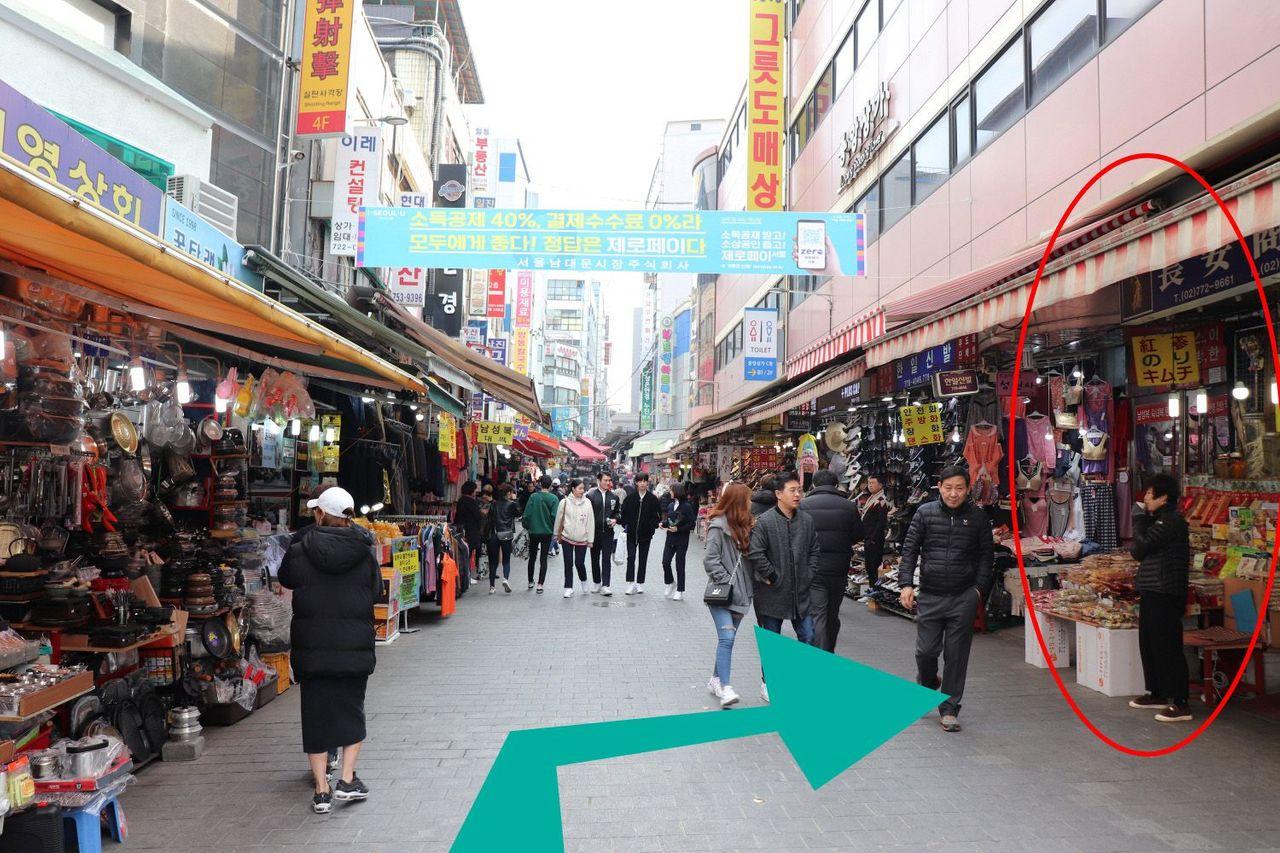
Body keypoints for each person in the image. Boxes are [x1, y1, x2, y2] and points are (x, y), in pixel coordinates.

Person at [278, 487, 381, 814]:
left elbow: (286, 578)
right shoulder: (364, 550)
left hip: (313, 648)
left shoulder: (300, 548)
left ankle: (321, 790)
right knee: (352, 710)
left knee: (316, 714)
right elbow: (377, 591)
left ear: (320, 514)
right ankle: (347, 780)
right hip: (353, 646)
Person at [898, 466, 993, 733]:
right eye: (948, 488)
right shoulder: (924, 513)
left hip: (963, 596)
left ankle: (950, 708)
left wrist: (978, 591)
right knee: (925, 651)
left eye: (959, 488)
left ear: (967, 489)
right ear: (939, 487)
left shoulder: (977, 517)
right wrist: (906, 584)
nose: (953, 494)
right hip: (930, 594)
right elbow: (909, 551)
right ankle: (928, 682)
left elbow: (987, 557)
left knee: (956, 654)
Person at [748, 471, 819, 701]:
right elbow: (755, 552)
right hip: (772, 592)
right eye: (793, 490)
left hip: (801, 591)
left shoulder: (806, 521)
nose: (798, 494)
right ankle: (769, 682)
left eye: (799, 490)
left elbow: (814, 550)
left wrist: (808, 574)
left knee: (808, 636)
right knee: (773, 639)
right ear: (779, 494)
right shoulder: (766, 521)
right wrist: (772, 575)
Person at [1127, 473, 1192, 723]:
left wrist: (1139, 519)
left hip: (1165, 591)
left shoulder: (1171, 522)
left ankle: (1180, 702)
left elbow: (1139, 549)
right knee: (1150, 643)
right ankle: (1157, 692)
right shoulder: (1161, 521)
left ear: (1164, 498)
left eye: (1149, 495)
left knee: (1167, 646)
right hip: (1153, 589)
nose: (1145, 499)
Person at [702, 483, 756, 709]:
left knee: (728, 641)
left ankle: (715, 679)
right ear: (739, 501)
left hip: (743, 595)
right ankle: (725, 687)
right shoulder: (718, 527)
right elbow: (710, 560)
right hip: (723, 595)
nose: (751, 503)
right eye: (748, 499)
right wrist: (727, 582)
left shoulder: (748, 527)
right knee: (727, 638)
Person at [800, 470, 864, 652]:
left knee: (818, 613)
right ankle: (828, 650)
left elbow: (799, 537)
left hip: (814, 568)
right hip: (839, 567)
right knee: (832, 612)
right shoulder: (849, 506)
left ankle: (821, 655)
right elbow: (859, 534)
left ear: (813, 485)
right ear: (836, 485)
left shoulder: (804, 505)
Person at [621, 472, 662, 594]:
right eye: (640, 481)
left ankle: (639, 583)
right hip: (631, 534)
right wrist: (626, 525)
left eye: (645, 481)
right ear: (636, 483)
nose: (643, 483)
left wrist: (652, 527)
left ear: (647, 483)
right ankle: (630, 582)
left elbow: (657, 516)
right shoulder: (630, 498)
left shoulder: (653, 499)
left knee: (643, 558)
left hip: (646, 534)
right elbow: (623, 514)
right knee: (631, 557)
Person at [554, 478, 594, 598]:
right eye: (580, 488)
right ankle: (568, 587)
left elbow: (590, 522)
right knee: (568, 562)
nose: (582, 491)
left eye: (583, 488)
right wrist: (556, 534)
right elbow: (558, 519)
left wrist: (590, 540)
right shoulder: (564, 502)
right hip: (567, 537)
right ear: (573, 489)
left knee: (579, 563)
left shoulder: (587, 503)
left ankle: (584, 580)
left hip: (582, 538)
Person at [586, 472, 622, 595]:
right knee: (594, 558)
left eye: (609, 480)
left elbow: (618, 512)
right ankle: (597, 582)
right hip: (594, 532)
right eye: (605, 480)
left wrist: (615, 519)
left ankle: (606, 585)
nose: (608, 483)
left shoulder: (614, 497)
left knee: (606, 559)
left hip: (608, 533)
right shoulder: (590, 496)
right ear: (599, 480)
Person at [522, 476, 559, 593]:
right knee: (543, 559)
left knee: (532, 557)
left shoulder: (533, 496)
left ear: (540, 484)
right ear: (550, 485)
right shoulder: (554, 498)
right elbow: (555, 517)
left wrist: (527, 526)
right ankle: (540, 584)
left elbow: (526, 515)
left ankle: (530, 581)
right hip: (547, 532)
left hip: (533, 531)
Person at [661, 483, 697, 600]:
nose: (670, 492)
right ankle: (670, 582)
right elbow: (670, 520)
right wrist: (663, 524)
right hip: (670, 538)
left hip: (682, 539)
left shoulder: (687, 506)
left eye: (671, 490)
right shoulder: (671, 505)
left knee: (679, 565)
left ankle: (680, 590)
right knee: (665, 562)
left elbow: (692, 524)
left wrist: (679, 529)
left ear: (677, 491)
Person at [859, 474, 891, 600]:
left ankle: (874, 594)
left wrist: (872, 539)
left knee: (873, 566)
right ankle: (871, 592)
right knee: (869, 566)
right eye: (869, 483)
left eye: (873, 483)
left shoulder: (881, 500)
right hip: (868, 537)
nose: (870, 485)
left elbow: (881, 523)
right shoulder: (872, 498)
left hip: (874, 539)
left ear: (880, 485)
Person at [485, 483, 519, 594]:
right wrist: (515, 500)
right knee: (506, 559)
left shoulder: (493, 504)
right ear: (508, 493)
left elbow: (489, 519)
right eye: (511, 492)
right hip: (506, 534)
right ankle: (505, 579)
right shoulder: (511, 504)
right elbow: (518, 514)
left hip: (494, 534)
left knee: (493, 561)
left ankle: (492, 587)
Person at [453, 481, 485, 580]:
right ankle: (469, 576)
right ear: (471, 490)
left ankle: (466, 576)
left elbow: (458, 517)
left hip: (462, 530)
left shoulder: (461, 500)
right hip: (471, 531)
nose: (476, 492)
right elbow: (478, 516)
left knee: (465, 554)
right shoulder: (471, 501)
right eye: (475, 490)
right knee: (470, 553)